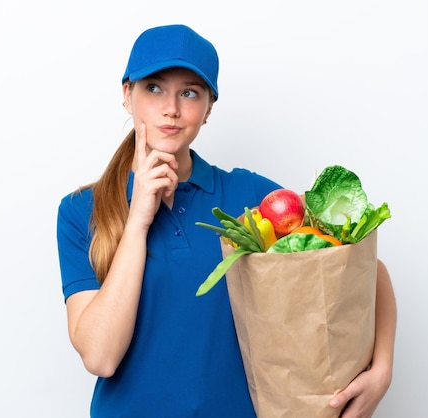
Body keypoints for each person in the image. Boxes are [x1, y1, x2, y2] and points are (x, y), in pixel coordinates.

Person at [56, 24, 397, 418]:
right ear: (126, 95)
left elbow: (362, 268)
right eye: (153, 88)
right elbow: (101, 358)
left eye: (189, 92)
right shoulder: (81, 211)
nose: (171, 108)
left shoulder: (247, 196)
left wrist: (382, 369)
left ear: (209, 109)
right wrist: (137, 222)